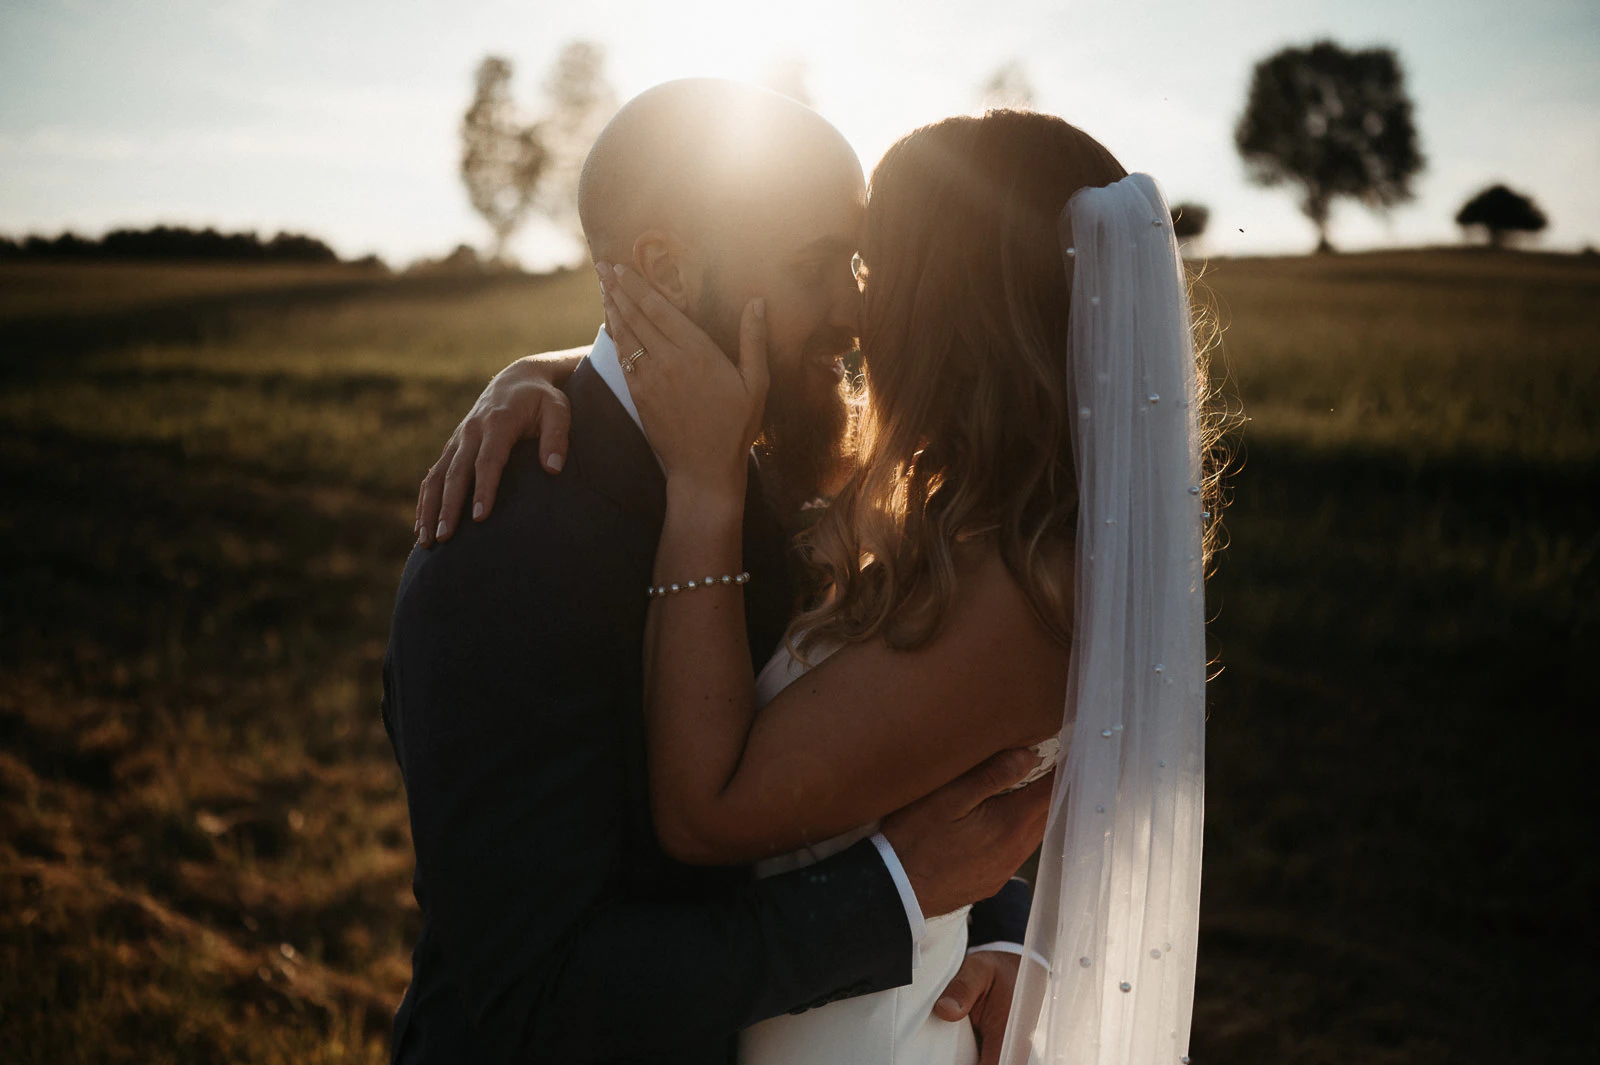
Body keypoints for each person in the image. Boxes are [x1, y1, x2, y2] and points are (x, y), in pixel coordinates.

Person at [423, 105, 1215, 1064]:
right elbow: (538, 998)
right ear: (665, 269)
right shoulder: (507, 541)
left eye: (869, 269)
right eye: (820, 267)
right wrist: (540, 369)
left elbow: (928, 753)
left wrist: (985, 918)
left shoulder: (791, 479)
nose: (851, 312)